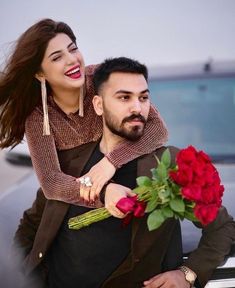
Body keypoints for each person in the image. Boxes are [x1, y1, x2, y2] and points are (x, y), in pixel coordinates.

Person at [13, 57, 235, 288]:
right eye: (124, 97)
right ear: (98, 105)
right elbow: (31, 224)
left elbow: (223, 228)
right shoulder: (69, 161)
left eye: (144, 97)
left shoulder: (171, 165)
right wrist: (24, 275)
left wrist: (188, 274)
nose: (137, 107)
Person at [0, 18, 168, 207]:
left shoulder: (102, 79)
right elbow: (51, 182)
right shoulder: (39, 115)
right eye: (57, 57)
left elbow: (157, 129)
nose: (72, 59)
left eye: (73, 49)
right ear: (40, 74)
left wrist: (110, 162)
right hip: (76, 213)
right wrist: (104, 191)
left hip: (135, 185)